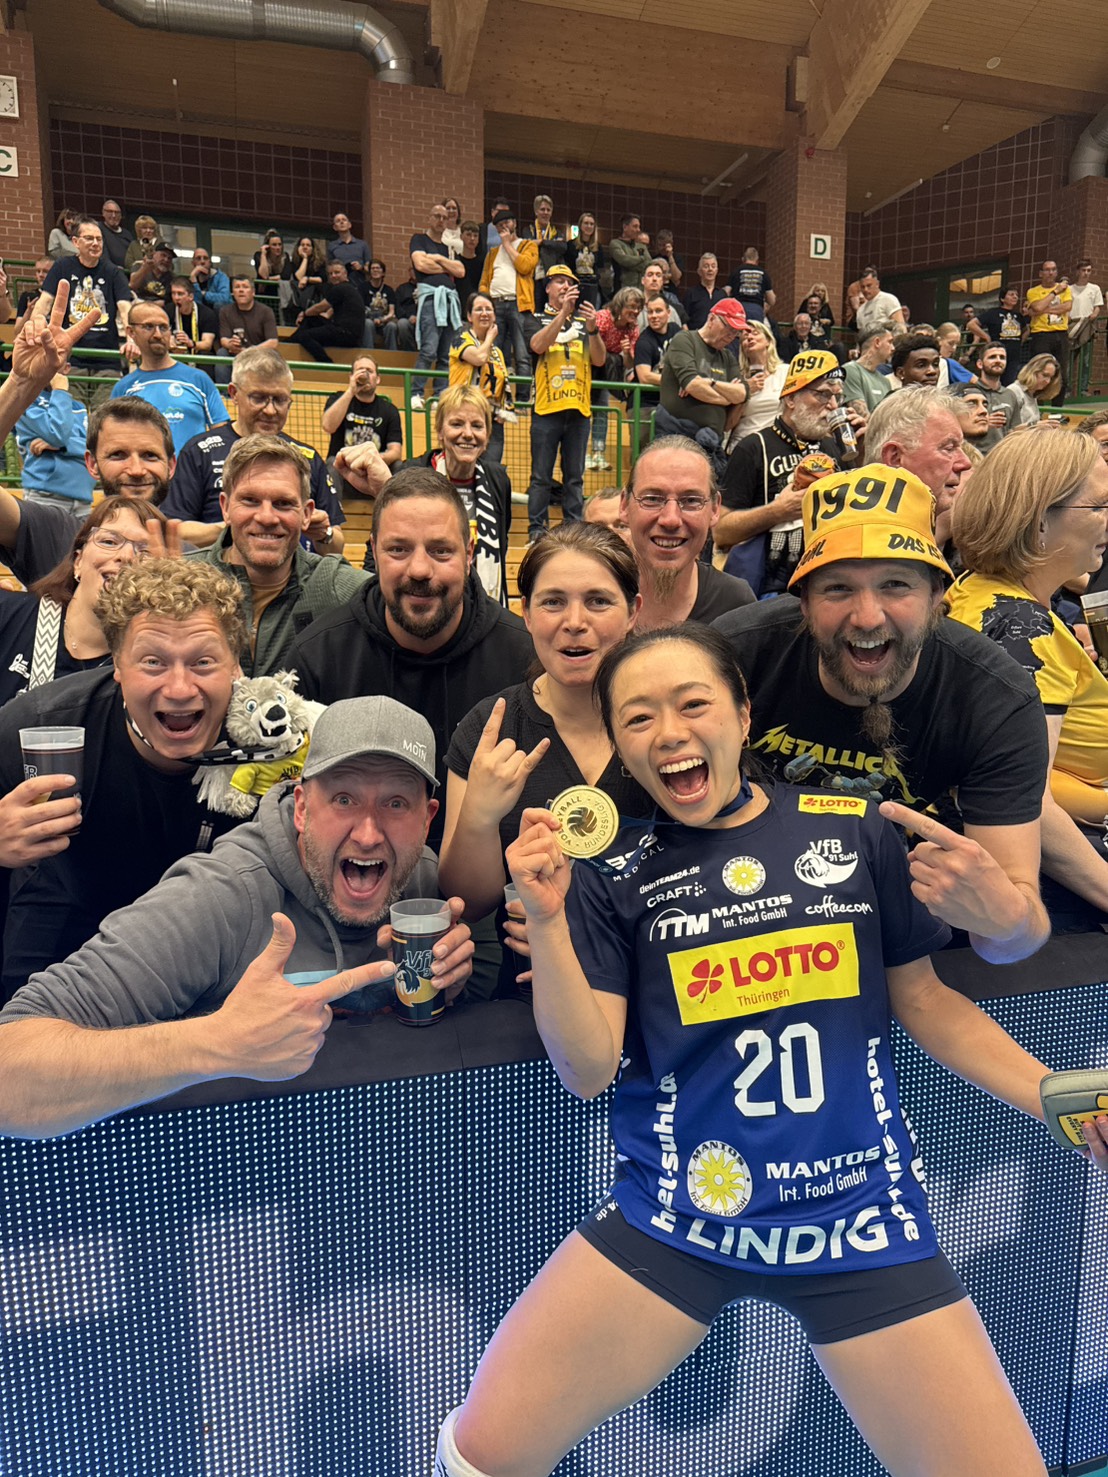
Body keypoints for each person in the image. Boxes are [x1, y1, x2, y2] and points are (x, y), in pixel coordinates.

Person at [434, 620, 1100, 1477]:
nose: (668, 732)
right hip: (677, 1220)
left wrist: (1052, 1092)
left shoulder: (852, 830)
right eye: (637, 717)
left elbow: (929, 1002)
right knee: (481, 1453)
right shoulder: (611, 871)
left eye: (692, 703)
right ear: (620, 748)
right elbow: (588, 1069)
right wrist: (549, 920)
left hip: (859, 1221)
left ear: (743, 713)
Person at [0, 694, 475, 1138]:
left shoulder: (420, 882)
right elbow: (11, 1072)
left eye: (396, 804)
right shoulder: (221, 896)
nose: (369, 835)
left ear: (427, 820)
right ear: (302, 808)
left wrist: (446, 985)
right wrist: (218, 1043)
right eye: (344, 799)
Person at [713, 462, 1052, 964]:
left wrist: (1006, 920)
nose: (868, 617)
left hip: (901, 931)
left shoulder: (995, 699)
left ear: (937, 597)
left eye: (895, 584)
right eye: (837, 588)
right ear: (803, 604)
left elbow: (1014, 940)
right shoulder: (731, 657)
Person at [0, 560, 252, 995]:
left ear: (235, 666)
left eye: (203, 662)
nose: (179, 688)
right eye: (153, 662)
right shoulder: (43, 724)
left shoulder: (274, 741)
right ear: (116, 664)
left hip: (210, 937)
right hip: (67, 923)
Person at [441, 522, 649, 994]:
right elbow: (469, 901)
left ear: (633, 611)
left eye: (598, 601)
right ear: (527, 614)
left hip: (657, 990)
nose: (574, 621)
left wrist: (584, 943)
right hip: (528, 1001)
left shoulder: (666, 724)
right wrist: (479, 817)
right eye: (553, 602)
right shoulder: (492, 729)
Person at [289, 467, 533, 850]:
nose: (419, 569)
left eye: (440, 550)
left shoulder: (525, 660)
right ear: (373, 551)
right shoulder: (318, 658)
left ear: (469, 553)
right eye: (398, 550)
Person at [946, 428, 1108, 932]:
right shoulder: (1025, 631)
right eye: (1099, 506)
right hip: (1062, 889)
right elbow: (1020, 798)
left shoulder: (979, 590)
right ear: (1039, 522)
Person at [185, 433, 369, 676]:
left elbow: (407, 602)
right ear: (225, 507)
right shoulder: (184, 580)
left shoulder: (332, 584)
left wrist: (385, 488)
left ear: (306, 514)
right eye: (250, 500)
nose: (267, 518)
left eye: (283, 503)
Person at [163, 346, 345, 554]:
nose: (270, 410)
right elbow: (176, 532)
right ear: (234, 393)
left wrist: (324, 534)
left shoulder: (307, 458)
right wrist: (239, 524)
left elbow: (337, 547)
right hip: (214, 572)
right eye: (258, 398)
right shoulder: (200, 452)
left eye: (280, 400)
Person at [341, 387, 513, 601]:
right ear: (440, 431)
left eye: (477, 426)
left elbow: (502, 545)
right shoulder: (410, 473)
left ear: (487, 435)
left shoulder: (498, 480)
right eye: (457, 424)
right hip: (426, 598)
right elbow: (381, 548)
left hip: (485, 605)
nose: (468, 434)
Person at [0, 495, 163, 707]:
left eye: (145, 552)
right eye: (109, 541)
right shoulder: (8, 614)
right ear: (77, 561)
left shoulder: (157, 666)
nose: (126, 556)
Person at [716, 349, 842, 593]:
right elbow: (721, 531)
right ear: (791, 399)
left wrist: (861, 449)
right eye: (823, 394)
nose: (833, 405)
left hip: (828, 579)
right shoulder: (753, 447)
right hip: (773, 587)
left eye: (837, 396)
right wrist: (777, 512)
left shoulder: (832, 446)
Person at [620, 437, 754, 629]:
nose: (671, 519)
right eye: (652, 499)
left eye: (691, 501)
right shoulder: (592, 597)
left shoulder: (735, 605)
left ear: (715, 509)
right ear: (624, 505)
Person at [526, 263, 606, 541]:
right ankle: (537, 530)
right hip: (546, 410)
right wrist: (563, 314)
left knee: (575, 477)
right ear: (548, 287)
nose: (565, 286)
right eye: (559, 281)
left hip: (579, 411)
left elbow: (599, 360)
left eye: (569, 282)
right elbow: (537, 345)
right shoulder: (536, 318)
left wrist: (593, 330)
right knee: (541, 477)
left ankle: (573, 530)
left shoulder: (584, 324)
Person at [37, 216, 131, 411]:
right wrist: (35, 332)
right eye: (89, 238)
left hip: (107, 360)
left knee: (105, 415)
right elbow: (44, 303)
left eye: (99, 239)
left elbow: (126, 309)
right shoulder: (62, 267)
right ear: (75, 242)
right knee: (72, 415)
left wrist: (132, 340)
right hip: (70, 358)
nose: (95, 243)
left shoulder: (113, 272)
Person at [112, 300, 229, 454]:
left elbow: (221, 434)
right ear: (131, 332)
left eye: (163, 327)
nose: (158, 335)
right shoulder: (124, 388)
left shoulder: (198, 379)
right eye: (148, 327)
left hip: (193, 469)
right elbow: (115, 439)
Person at [656, 299, 749, 458]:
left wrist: (711, 383)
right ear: (711, 319)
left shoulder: (728, 357)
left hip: (712, 443)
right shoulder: (685, 340)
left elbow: (742, 393)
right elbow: (692, 384)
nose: (731, 335)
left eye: (736, 332)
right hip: (677, 439)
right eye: (728, 327)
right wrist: (727, 399)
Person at [478, 206, 539, 404]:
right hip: (496, 305)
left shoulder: (528, 245)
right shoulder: (492, 253)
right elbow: (484, 282)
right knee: (495, 353)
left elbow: (525, 266)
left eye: (507, 222)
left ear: (515, 224)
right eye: (499, 225)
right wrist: (486, 300)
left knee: (522, 354)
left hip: (518, 305)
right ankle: (497, 397)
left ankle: (522, 399)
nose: (504, 226)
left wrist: (507, 244)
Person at [321, 355, 404, 500]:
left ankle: (395, 510)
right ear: (351, 376)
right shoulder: (338, 399)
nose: (365, 375)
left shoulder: (389, 410)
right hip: (344, 474)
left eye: (369, 371)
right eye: (360, 370)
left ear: (378, 379)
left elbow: (395, 452)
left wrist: (372, 459)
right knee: (331, 464)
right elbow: (328, 426)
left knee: (398, 466)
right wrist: (351, 391)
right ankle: (333, 513)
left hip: (373, 475)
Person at [14, 369, 95, 517]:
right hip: (46, 496)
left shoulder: (79, 407)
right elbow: (58, 434)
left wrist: (64, 446)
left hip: (84, 499)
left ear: (66, 368)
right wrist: (60, 390)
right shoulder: (26, 401)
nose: (50, 365)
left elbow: (94, 449)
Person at [409, 202, 465, 408]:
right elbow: (421, 264)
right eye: (437, 216)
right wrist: (446, 267)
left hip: (450, 301)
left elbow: (460, 271)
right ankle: (416, 393)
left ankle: (440, 394)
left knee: (446, 354)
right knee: (429, 350)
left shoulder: (448, 248)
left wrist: (438, 259)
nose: (441, 220)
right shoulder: (419, 239)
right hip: (432, 299)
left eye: (445, 217)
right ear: (429, 218)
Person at [449, 292, 513, 463]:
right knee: (464, 466)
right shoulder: (460, 339)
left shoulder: (497, 352)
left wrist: (504, 410)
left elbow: (503, 382)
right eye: (478, 310)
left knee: (490, 469)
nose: (484, 313)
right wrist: (490, 337)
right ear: (469, 316)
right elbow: (478, 358)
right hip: (464, 414)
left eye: (488, 309)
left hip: (492, 420)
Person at [588, 286, 643, 472]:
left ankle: (598, 453)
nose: (636, 311)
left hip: (606, 369)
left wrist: (626, 352)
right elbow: (590, 346)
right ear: (620, 306)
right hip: (587, 364)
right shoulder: (603, 318)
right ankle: (581, 453)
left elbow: (629, 363)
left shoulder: (633, 328)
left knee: (602, 409)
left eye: (638, 308)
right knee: (583, 410)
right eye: (632, 307)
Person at [290, 260, 366, 363]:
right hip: (347, 332)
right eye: (330, 274)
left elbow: (320, 308)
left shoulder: (341, 288)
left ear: (345, 274)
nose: (333, 276)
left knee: (304, 336)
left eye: (337, 272)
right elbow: (326, 313)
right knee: (311, 320)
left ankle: (326, 362)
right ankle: (290, 342)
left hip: (346, 334)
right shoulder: (349, 289)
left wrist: (304, 313)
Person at [214, 276, 279, 386]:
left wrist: (249, 351)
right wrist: (231, 343)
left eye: (245, 287)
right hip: (235, 354)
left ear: (253, 292)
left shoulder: (266, 311)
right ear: (233, 292)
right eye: (237, 287)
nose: (241, 290)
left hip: (259, 354)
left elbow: (273, 342)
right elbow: (224, 340)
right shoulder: (225, 311)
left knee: (272, 356)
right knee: (222, 353)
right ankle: (224, 392)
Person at [1023, 261, 1071, 406]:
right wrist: (1055, 292)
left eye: (1053, 270)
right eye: (1047, 270)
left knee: (1062, 374)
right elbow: (1037, 307)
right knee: (1039, 372)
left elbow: (1067, 307)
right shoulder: (1033, 291)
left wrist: (1044, 309)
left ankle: (1057, 411)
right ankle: (1038, 408)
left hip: (1060, 333)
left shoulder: (1066, 289)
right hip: (1041, 335)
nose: (1051, 273)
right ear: (1041, 273)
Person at [731, 319, 787, 441]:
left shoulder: (785, 372)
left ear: (768, 341)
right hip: (745, 440)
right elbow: (728, 425)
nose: (750, 338)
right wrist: (746, 391)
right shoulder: (738, 380)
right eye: (745, 337)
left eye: (755, 333)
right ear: (743, 348)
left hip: (777, 441)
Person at [970, 287, 1027, 385]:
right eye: (1011, 294)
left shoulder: (1018, 315)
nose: (1015, 297)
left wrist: (1021, 341)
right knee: (995, 379)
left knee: (1011, 382)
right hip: (998, 352)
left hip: (1014, 354)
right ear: (1002, 298)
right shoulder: (993, 313)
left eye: (1016, 295)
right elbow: (972, 324)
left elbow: (1026, 330)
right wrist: (986, 337)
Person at [632, 294, 679, 407]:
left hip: (671, 401)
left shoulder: (676, 331)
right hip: (645, 404)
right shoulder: (644, 342)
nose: (653, 316)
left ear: (668, 313)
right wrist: (678, 382)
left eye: (658, 311)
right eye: (650, 312)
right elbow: (645, 377)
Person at [843, 328, 894, 414]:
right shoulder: (850, 370)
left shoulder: (885, 381)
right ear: (877, 342)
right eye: (890, 342)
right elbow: (861, 414)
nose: (893, 348)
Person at [168, 275, 218, 360]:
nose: (176, 298)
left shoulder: (207, 314)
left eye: (180, 294)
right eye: (173, 293)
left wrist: (190, 343)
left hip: (199, 354)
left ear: (190, 297)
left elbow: (207, 344)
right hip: (175, 354)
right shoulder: (167, 311)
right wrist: (169, 340)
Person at [564, 213, 606, 308]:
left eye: (591, 224)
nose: (589, 226)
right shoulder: (571, 245)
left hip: (593, 285)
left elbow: (601, 268)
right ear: (580, 225)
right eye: (586, 223)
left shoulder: (598, 247)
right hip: (576, 284)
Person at [327, 211, 371, 299]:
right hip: (340, 286)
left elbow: (369, 268)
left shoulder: (362, 244)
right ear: (335, 227)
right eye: (338, 221)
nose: (341, 222)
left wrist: (360, 268)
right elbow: (329, 268)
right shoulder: (332, 246)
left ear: (349, 225)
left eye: (344, 220)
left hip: (359, 284)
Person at [1009, 353, 1061, 428]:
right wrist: (1035, 425)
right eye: (1045, 375)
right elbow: (1006, 429)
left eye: (1051, 378)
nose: (1048, 381)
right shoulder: (1014, 391)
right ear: (1032, 371)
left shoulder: (1033, 395)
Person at [853, 266, 908, 335]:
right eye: (862, 287)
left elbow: (901, 328)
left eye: (869, 285)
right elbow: (861, 336)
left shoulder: (889, 299)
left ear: (877, 284)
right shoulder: (860, 311)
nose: (865, 290)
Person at [727, 245, 775, 322]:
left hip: (738, 308)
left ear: (743, 259)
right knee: (754, 329)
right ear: (757, 261)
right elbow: (771, 299)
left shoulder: (736, 272)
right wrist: (766, 304)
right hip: (756, 310)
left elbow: (727, 292)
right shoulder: (764, 273)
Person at [683, 252, 728, 331]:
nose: (710, 269)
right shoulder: (691, 293)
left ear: (717, 270)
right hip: (695, 335)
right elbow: (684, 321)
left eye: (713, 266)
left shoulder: (722, 295)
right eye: (706, 266)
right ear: (699, 271)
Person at [608, 214, 651, 294]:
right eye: (635, 226)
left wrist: (631, 265)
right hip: (623, 290)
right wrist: (641, 258)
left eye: (639, 227)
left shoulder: (641, 247)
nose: (638, 230)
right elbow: (624, 260)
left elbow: (648, 264)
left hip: (641, 290)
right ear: (625, 227)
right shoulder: (616, 243)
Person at [288, 235, 328, 320]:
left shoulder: (320, 262)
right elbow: (299, 277)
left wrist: (307, 279)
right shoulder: (294, 261)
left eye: (308, 245)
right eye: (302, 245)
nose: (305, 247)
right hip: (299, 295)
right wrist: (305, 259)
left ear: (313, 248)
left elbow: (322, 279)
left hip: (315, 294)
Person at [364, 258, 399, 350]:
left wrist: (382, 320)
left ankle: (392, 354)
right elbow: (361, 308)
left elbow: (391, 312)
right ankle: (369, 353)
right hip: (369, 319)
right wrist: (372, 319)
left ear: (383, 273)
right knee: (367, 324)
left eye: (378, 268)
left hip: (384, 320)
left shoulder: (389, 290)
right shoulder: (363, 288)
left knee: (392, 326)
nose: (375, 270)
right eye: (373, 268)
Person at [189, 247, 232, 313]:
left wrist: (204, 294)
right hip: (203, 316)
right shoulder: (192, 280)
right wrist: (194, 281)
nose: (202, 261)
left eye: (205, 258)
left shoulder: (221, 277)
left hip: (220, 315)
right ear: (193, 263)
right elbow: (196, 305)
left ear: (209, 262)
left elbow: (224, 298)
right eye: (198, 258)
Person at [98, 199, 133, 269]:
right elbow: (102, 255)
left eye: (117, 213)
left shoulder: (127, 234)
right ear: (103, 213)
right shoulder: (99, 229)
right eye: (110, 212)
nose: (114, 215)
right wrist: (113, 268)